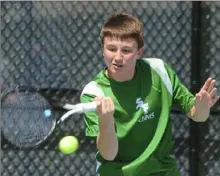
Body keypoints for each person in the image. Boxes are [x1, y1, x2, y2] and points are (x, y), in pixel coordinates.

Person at [80, 12, 219, 176]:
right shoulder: (93, 93)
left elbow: (198, 115)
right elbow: (108, 154)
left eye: (126, 50)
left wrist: (202, 107)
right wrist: (106, 119)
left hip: (164, 171)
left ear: (139, 52)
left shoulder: (159, 71)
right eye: (111, 49)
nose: (118, 57)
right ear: (103, 50)